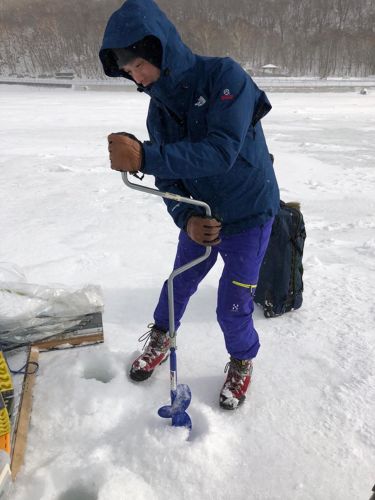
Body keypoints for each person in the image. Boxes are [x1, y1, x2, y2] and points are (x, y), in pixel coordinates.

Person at [99, 0, 280, 410]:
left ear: (160, 48)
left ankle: (241, 360)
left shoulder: (224, 76)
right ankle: (162, 336)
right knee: (177, 283)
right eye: (129, 73)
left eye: (138, 66)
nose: (137, 78)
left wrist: (144, 157)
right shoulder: (158, 112)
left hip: (249, 214)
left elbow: (221, 151)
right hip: (203, 217)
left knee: (232, 305)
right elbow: (168, 180)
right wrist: (187, 217)